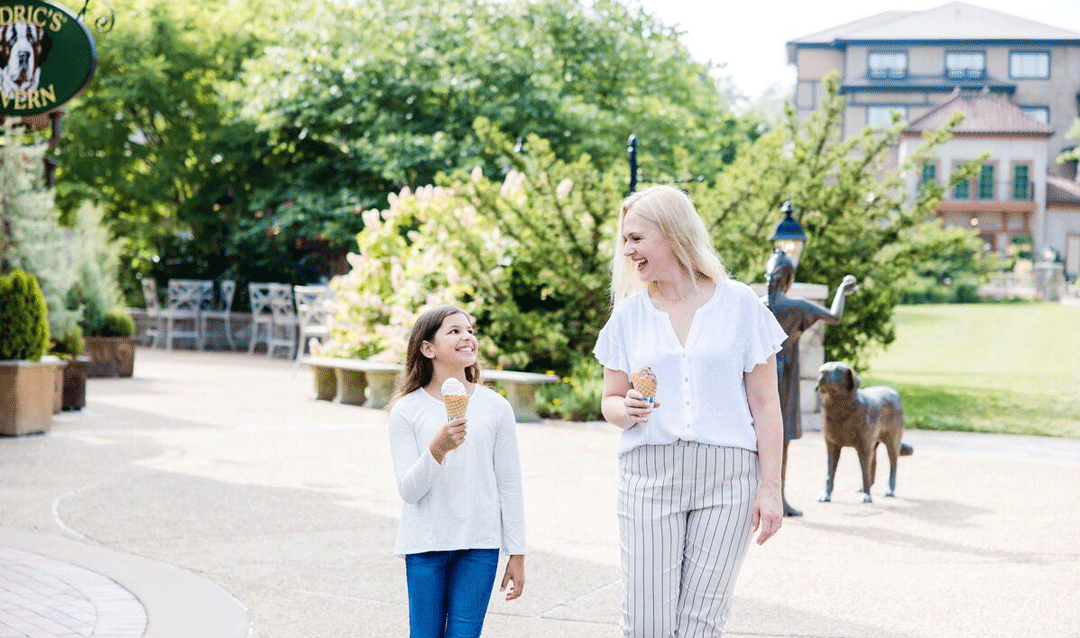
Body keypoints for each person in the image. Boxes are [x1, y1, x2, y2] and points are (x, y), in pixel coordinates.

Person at [594, 185, 787, 638]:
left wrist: (771, 488)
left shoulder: (740, 304)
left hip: (728, 478)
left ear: (672, 234)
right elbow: (609, 400)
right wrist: (628, 409)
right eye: (624, 240)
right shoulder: (628, 315)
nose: (627, 251)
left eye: (636, 238)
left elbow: (765, 403)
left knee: (702, 624)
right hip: (649, 475)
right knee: (646, 624)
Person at [388, 305, 526, 638]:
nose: (466, 337)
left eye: (470, 331)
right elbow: (408, 490)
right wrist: (437, 449)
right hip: (425, 544)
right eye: (454, 331)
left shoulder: (495, 406)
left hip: (479, 545)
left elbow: (510, 484)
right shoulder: (407, 410)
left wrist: (517, 552)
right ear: (427, 348)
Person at [763, 249, 856, 517]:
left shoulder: (757, 304)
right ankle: (776, 498)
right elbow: (834, 316)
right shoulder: (796, 307)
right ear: (788, 279)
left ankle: (768, 497)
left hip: (760, 375)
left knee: (760, 435)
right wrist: (841, 288)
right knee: (781, 439)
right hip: (785, 375)